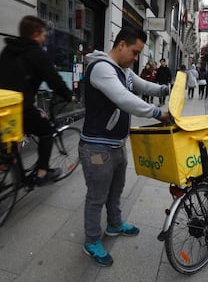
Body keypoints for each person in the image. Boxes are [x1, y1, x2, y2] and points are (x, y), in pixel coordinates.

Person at [79, 27, 170, 267]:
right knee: (96, 196)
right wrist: (158, 113)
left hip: (117, 144)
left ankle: (115, 224)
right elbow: (124, 99)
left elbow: (143, 87)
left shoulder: (125, 71)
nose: (136, 57)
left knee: (116, 190)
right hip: (97, 147)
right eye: (135, 51)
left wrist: (166, 89)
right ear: (121, 45)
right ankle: (91, 241)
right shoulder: (101, 68)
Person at [0, 15, 75, 185]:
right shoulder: (36, 54)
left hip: (2, 106)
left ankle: (13, 171)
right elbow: (53, 79)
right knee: (46, 131)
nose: (44, 38)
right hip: (19, 108)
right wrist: (68, 95)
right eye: (43, 34)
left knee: (10, 140)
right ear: (35, 34)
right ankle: (42, 173)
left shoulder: (8, 49)